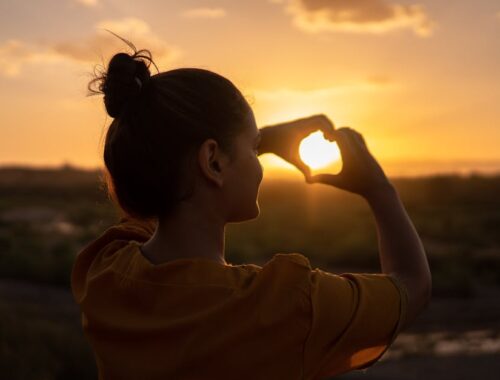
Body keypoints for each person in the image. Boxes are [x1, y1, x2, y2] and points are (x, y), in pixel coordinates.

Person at [71, 35, 431, 380]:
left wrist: (250, 142)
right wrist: (379, 189)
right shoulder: (285, 305)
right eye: (253, 147)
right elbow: (411, 286)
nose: (258, 161)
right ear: (212, 161)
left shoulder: (105, 272)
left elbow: (155, 182)